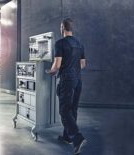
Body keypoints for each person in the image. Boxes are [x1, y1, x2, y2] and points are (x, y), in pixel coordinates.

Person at [47, 18, 87, 154]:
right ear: (72, 28)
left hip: (67, 80)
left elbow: (57, 65)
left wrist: (50, 71)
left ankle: (77, 137)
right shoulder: (80, 44)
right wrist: (73, 66)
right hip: (78, 80)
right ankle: (67, 137)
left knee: (64, 111)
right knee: (73, 109)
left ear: (62, 28)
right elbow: (83, 64)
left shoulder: (60, 43)